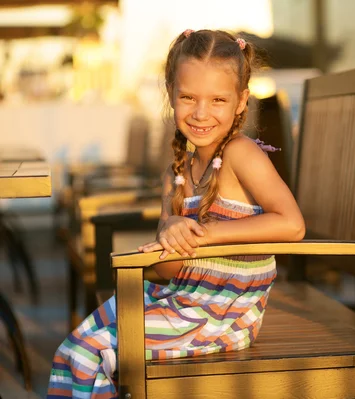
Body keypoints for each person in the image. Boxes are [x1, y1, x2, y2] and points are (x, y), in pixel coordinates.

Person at [47, 29, 305, 398]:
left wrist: (207, 234)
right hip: (184, 300)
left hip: (224, 315)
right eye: (188, 97)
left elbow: (292, 224)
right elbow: (168, 271)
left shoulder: (241, 153)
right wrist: (169, 231)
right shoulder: (177, 174)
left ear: (240, 101)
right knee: (74, 348)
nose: (201, 113)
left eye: (218, 99)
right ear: (171, 94)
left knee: (89, 354)